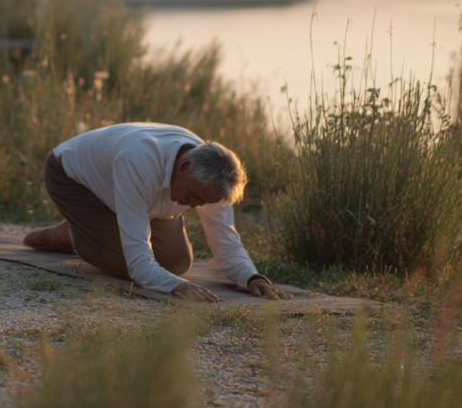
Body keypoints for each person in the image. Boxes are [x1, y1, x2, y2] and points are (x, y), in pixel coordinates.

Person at [22, 123, 291, 303]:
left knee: (177, 264)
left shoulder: (215, 179)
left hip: (137, 194)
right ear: (184, 167)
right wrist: (177, 287)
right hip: (74, 178)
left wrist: (251, 277)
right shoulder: (137, 162)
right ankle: (76, 231)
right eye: (194, 196)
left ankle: (96, 229)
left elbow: (225, 239)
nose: (194, 206)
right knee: (125, 264)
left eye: (202, 202)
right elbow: (139, 264)